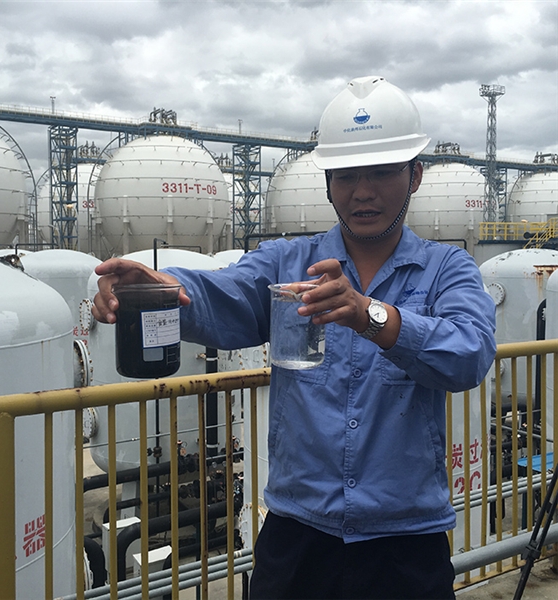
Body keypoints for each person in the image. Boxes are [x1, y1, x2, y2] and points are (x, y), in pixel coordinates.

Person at [92, 76, 496, 599]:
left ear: (415, 175)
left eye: (381, 172)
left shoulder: (447, 269)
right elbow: (225, 293)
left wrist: (369, 315)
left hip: (404, 538)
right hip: (299, 534)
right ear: (326, 182)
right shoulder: (288, 263)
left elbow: (468, 354)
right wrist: (160, 286)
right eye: (345, 175)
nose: (363, 191)